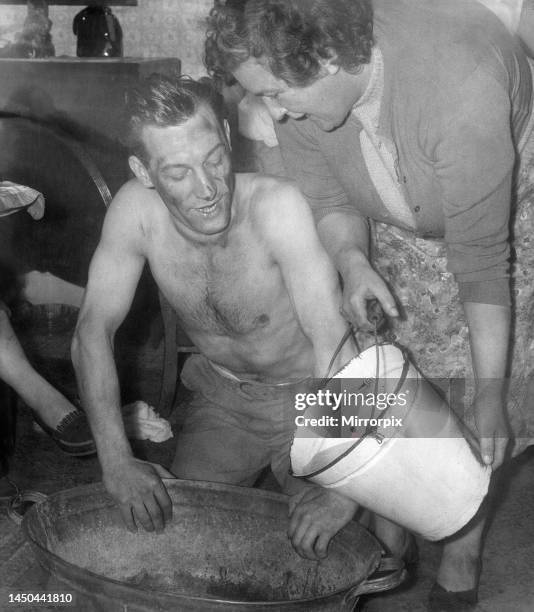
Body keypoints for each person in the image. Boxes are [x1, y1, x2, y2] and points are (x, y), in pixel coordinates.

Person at [204, 0, 534, 608]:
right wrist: (354, 261)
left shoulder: (461, 87)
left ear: (327, 57)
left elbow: (485, 263)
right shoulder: (307, 102)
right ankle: (396, 515)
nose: (271, 113)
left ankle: (462, 549)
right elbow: (330, 198)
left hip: (502, 201)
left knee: (473, 393)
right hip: (397, 193)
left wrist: (492, 392)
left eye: (275, 93)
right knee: (389, 359)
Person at [71, 75, 360, 560]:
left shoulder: (278, 207)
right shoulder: (133, 213)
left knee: (338, 547)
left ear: (227, 138)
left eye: (214, 160)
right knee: (178, 545)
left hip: (317, 398)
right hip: (223, 398)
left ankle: (391, 520)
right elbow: (90, 333)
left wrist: (345, 489)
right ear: (143, 171)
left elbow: (336, 341)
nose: (207, 189)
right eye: (178, 173)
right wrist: (116, 461)